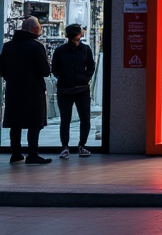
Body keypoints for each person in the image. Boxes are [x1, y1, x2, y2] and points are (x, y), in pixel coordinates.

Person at [0, 17, 52, 164]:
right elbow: (45, 70)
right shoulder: (36, 46)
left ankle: (15, 153)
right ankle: (32, 153)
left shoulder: (9, 46)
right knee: (34, 123)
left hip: (14, 89)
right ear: (35, 29)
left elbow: (2, 68)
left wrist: (11, 78)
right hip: (33, 89)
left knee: (15, 123)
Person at [51, 24, 95, 159]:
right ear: (78, 35)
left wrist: (85, 77)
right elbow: (55, 69)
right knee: (66, 119)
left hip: (78, 89)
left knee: (84, 118)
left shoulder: (85, 49)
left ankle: (80, 145)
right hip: (67, 89)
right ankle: (66, 146)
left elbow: (91, 66)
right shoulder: (61, 51)